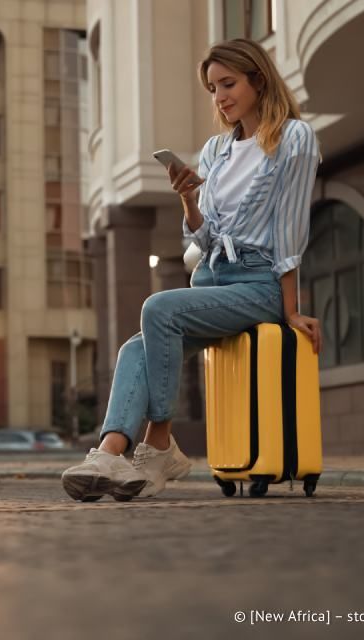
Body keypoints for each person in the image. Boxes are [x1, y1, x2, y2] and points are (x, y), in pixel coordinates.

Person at [62, 38, 324, 502]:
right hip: (212, 281)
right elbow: (202, 240)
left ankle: (160, 441)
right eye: (211, 87)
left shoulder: (294, 139)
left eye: (228, 83)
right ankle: (109, 452)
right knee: (134, 349)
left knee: (158, 308)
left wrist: (290, 311)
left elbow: (289, 233)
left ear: (258, 80)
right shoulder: (215, 152)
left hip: (258, 284)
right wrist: (187, 198)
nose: (219, 97)